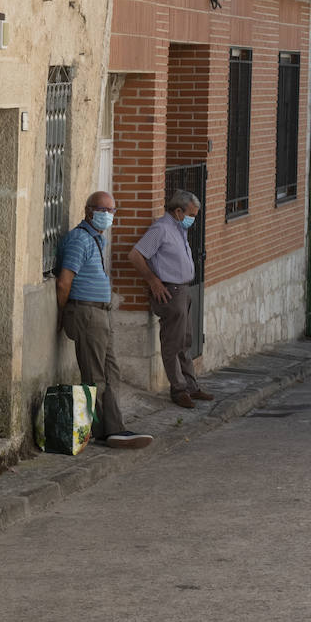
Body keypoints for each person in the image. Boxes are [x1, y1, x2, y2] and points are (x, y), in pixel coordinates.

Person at [56, 191, 153, 449]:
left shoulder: (97, 240)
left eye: (112, 211)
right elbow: (64, 281)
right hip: (87, 312)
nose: (108, 215)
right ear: (89, 211)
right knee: (95, 374)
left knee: (111, 372)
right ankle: (100, 430)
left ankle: (115, 428)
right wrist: (65, 313)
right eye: (103, 210)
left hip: (102, 313)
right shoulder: (80, 239)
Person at [127, 190, 214, 409]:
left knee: (185, 340)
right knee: (172, 342)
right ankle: (178, 389)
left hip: (183, 290)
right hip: (170, 291)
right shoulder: (161, 229)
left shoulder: (177, 229)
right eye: (191, 214)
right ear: (178, 211)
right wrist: (153, 281)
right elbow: (135, 255)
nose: (193, 219)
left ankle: (191, 386)